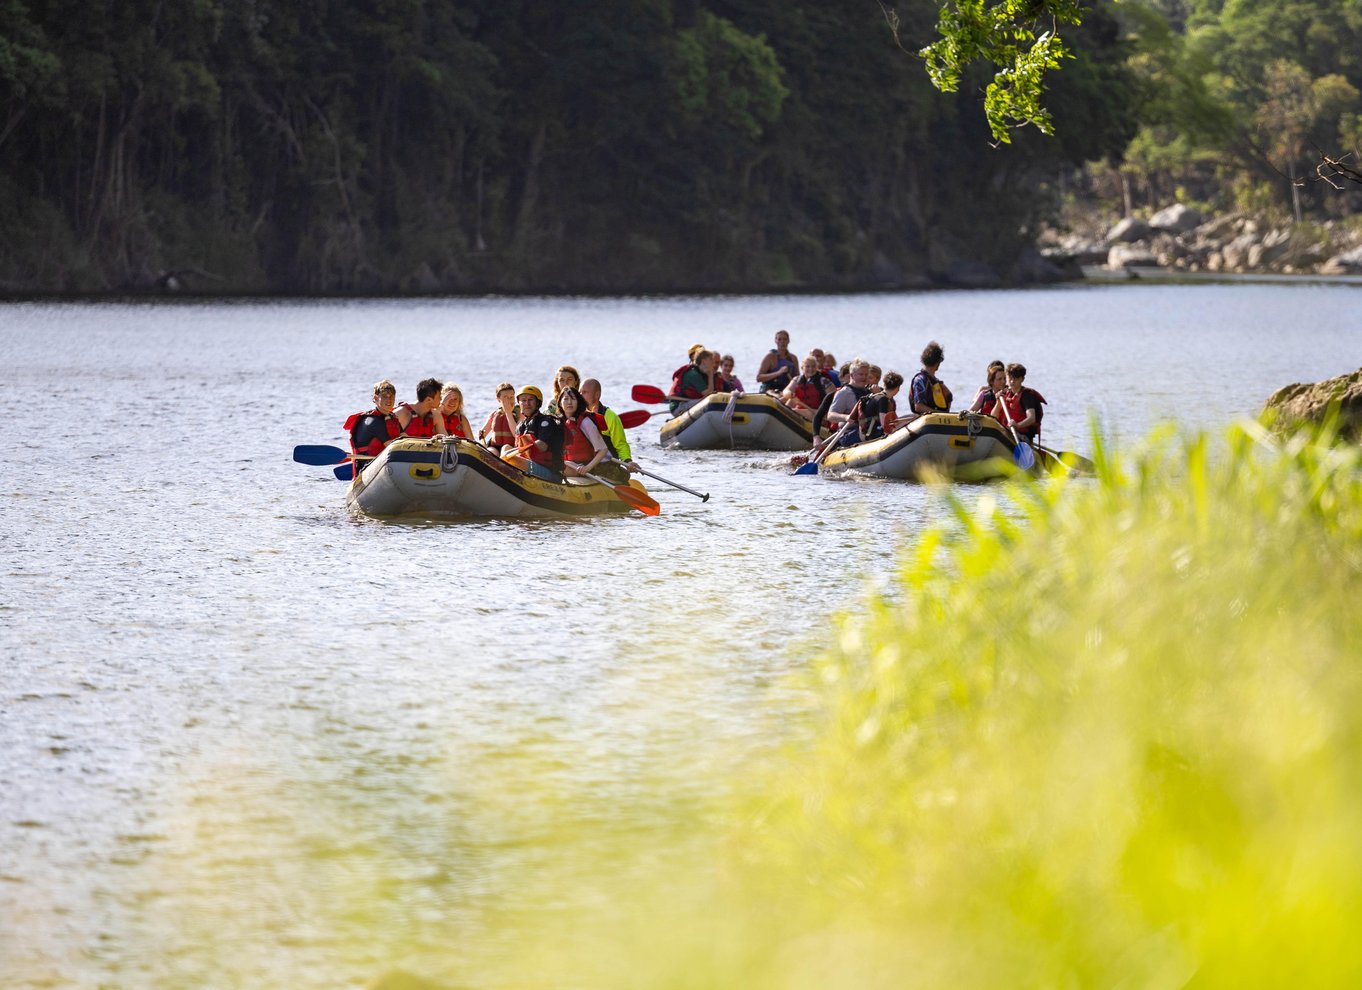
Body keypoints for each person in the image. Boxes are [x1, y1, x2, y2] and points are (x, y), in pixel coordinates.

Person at [557, 385, 618, 480]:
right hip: (571, 464)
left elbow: (603, 450)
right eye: (566, 399)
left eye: (573, 399)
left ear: (578, 402)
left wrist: (587, 468)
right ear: (560, 403)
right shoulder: (558, 423)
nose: (569, 402)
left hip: (590, 466)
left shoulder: (586, 422)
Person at [580, 378, 638, 475]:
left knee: (623, 474)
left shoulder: (610, 417)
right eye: (580, 392)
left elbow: (621, 445)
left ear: (597, 395)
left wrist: (627, 461)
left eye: (585, 392)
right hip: (584, 464)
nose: (580, 395)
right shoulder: (578, 415)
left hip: (606, 464)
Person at [812, 359, 872, 447]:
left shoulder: (869, 391)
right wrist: (846, 417)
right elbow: (830, 416)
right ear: (852, 376)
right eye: (861, 374)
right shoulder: (843, 393)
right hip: (849, 433)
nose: (864, 377)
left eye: (866, 375)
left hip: (867, 429)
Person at [509, 385, 564, 482]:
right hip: (528, 464)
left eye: (530, 400)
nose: (527, 403)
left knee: (513, 459)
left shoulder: (547, 422)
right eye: (523, 400)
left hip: (550, 472)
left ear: (538, 403)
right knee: (506, 447)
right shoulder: (520, 426)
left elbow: (542, 446)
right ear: (519, 403)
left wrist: (519, 450)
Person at [344, 379, 402, 462]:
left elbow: (406, 438)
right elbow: (391, 446)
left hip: (387, 460)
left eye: (392, 397)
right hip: (368, 464)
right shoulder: (373, 421)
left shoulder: (393, 418)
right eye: (385, 396)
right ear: (376, 398)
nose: (389, 400)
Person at [1000, 363, 1047, 442]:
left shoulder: (1026, 396)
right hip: (1008, 431)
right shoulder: (1005, 393)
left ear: (1022, 379)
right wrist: (998, 401)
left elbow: (1031, 418)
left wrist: (1018, 425)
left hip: (1022, 436)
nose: (1012, 381)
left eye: (1016, 379)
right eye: (1010, 378)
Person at [781, 353, 834, 421]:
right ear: (802, 368)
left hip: (817, 412)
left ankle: (787, 414)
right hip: (800, 409)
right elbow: (786, 390)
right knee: (790, 400)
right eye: (807, 366)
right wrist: (789, 393)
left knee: (792, 411)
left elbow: (834, 398)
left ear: (817, 368)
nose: (811, 369)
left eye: (813, 366)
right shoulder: (797, 379)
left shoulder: (824, 381)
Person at [857, 371, 904, 441]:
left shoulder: (878, 396)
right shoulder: (883, 399)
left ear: (884, 385)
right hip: (871, 435)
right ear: (898, 388)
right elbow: (885, 425)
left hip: (868, 431)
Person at [909, 341, 953, 416]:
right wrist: (941, 414)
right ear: (938, 362)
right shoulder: (920, 380)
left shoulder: (936, 382)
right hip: (925, 420)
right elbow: (918, 407)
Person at [671, 349, 718, 414]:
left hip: (689, 402)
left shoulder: (702, 373)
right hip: (679, 406)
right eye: (711, 359)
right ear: (703, 361)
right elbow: (709, 394)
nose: (713, 362)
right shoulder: (693, 374)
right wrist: (710, 375)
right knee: (709, 401)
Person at [479, 382, 520, 454]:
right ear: (498, 399)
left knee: (505, 448)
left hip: (511, 448)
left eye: (511, 397)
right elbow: (482, 434)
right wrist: (482, 443)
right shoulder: (494, 415)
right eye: (505, 397)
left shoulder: (519, 413)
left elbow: (517, 435)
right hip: (495, 448)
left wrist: (508, 413)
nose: (509, 400)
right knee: (491, 451)